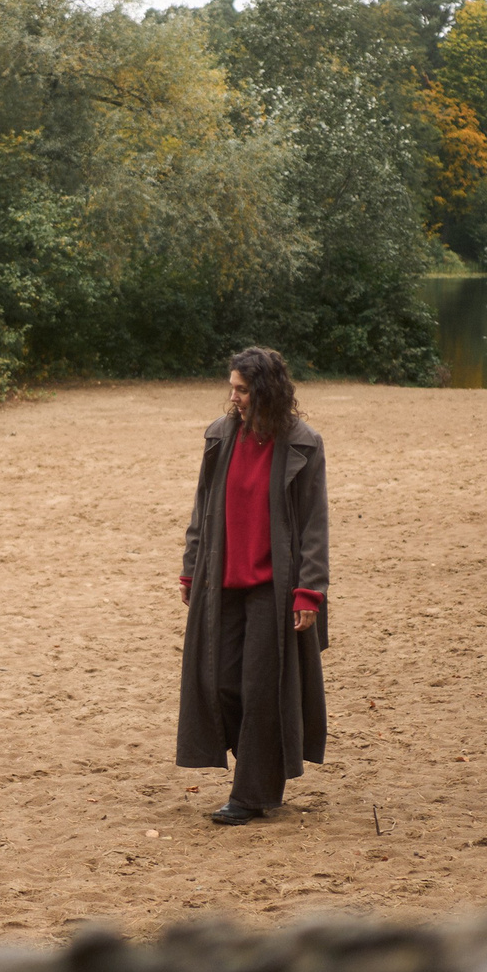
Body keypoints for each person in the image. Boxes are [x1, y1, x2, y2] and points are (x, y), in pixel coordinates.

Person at [175, 347, 329, 825]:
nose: (233, 397)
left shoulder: (303, 443)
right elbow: (203, 508)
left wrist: (309, 591)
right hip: (220, 582)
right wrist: (190, 566)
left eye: (241, 389)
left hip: (274, 589)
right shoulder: (221, 436)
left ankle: (252, 794)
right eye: (232, 388)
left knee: (263, 689)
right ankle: (261, 769)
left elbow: (313, 524)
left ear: (264, 390)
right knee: (219, 681)